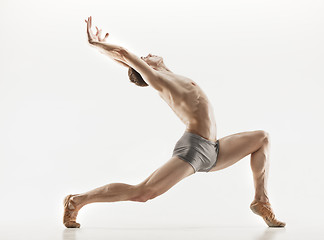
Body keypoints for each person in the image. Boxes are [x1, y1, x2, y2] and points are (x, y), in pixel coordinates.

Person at [63, 16, 286, 228]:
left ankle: (261, 201)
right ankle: (77, 200)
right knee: (143, 192)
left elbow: (123, 59)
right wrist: (95, 44)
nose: (147, 54)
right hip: (194, 148)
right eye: (144, 58)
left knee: (261, 138)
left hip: (214, 150)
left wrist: (107, 52)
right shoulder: (158, 79)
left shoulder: (167, 75)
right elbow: (124, 53)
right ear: (146, 69)